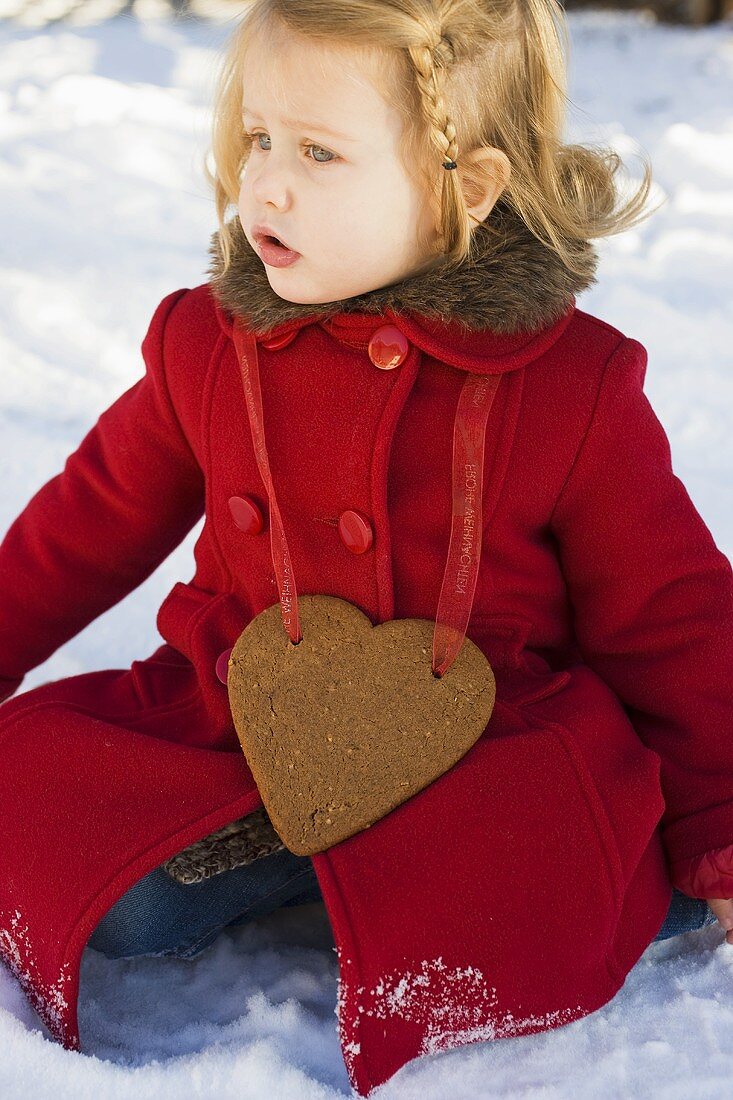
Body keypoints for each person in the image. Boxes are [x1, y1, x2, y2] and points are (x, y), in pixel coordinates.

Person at [0, 0, 731, 1094]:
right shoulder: (208, 343)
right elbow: (81, 524)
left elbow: (670, 614)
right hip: (243, 715)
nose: (266, 186)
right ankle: (278, 849)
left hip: (486, 742)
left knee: (531, 888)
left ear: (464, 190)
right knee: (54, 830)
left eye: (317, 152)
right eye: (258, 139)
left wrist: (716, 832)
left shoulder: (567, 385)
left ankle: (611, 877)